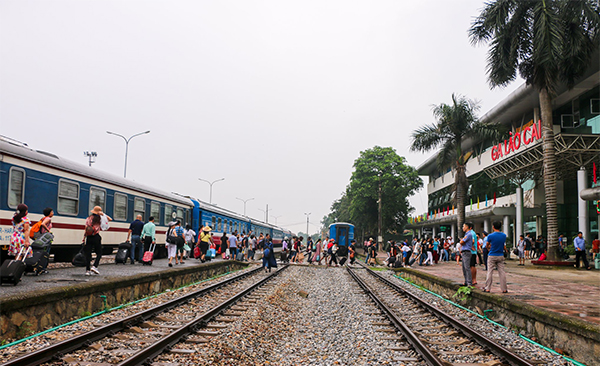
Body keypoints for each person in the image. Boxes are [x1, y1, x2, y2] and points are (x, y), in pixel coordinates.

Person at [482, 221, 508, 293]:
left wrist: (488, 248)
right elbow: (503, 245)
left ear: (493, 227)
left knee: (490, 271)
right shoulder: (504, 235)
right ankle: (504, 288)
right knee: (502, 272)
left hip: (492, 254)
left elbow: (487, 244)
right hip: (500, 255)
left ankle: (487, 288)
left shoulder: (490, 236)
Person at [82, 206, 108, 275]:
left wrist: (84, 238)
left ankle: (87, 270)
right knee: (99, 253)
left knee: (88, 254)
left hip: (89, 237)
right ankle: (95, 266)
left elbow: (86, 228)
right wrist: (103, 214)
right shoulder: (99, 218)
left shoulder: (88, 218)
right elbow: (109, 219)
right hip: (96, 237)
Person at [459, 222, 476, 286]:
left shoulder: (469, 234)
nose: (463, 228)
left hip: (467, 251)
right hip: (464, 252)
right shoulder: (467, 234)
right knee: (464, 267)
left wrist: (462, 240)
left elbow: (461, 242)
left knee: (467, 267)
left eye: (464, 226)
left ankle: (469, 282)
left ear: (467, 227)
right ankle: (466, 281)